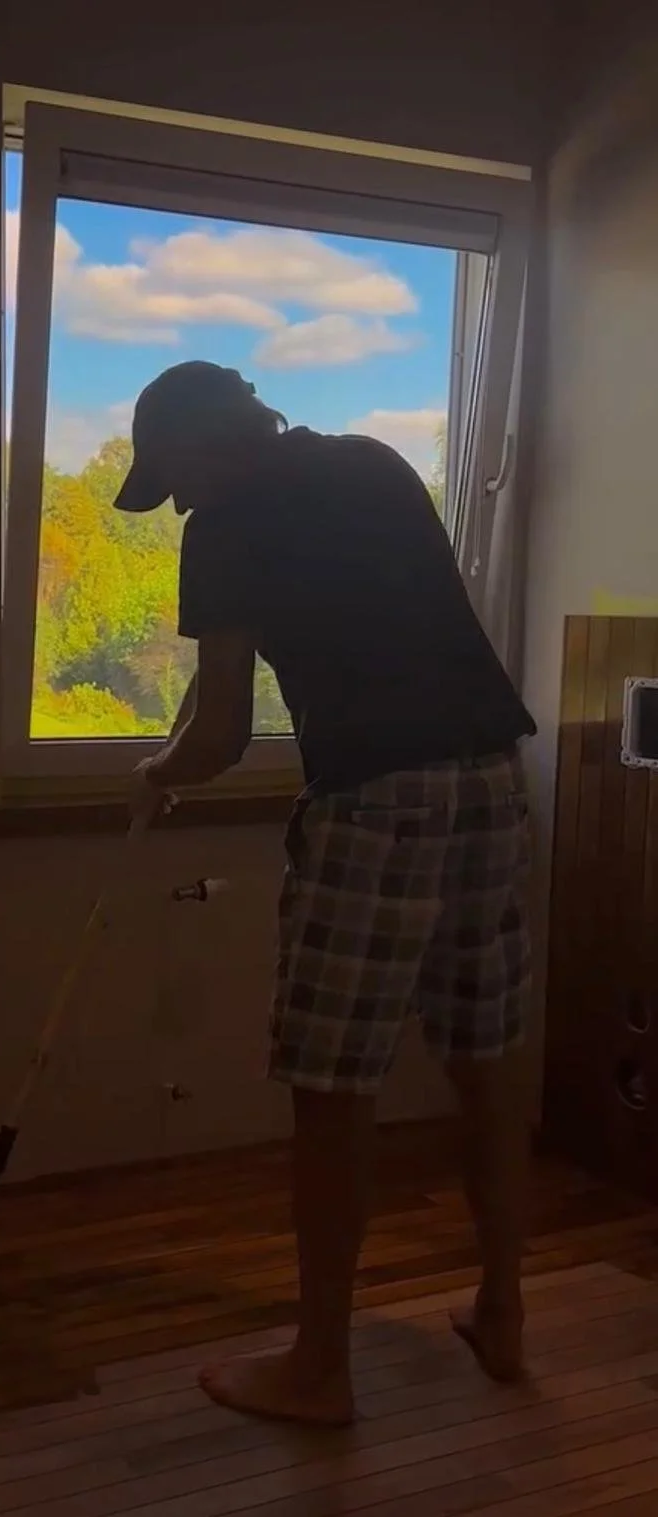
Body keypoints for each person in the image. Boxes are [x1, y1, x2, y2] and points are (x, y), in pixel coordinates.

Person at [115, 361, 536, 1426]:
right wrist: (174, 759)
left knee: (331, 1083)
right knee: (483, 1060)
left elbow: (217, 733)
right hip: (490, 784)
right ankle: (502, 1311)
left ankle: (319, 1368)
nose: (183, 503)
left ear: (207, 442)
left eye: (177, 479)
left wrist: (157, 778)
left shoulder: (224, 526)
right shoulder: (375, 465)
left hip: (375, 804)